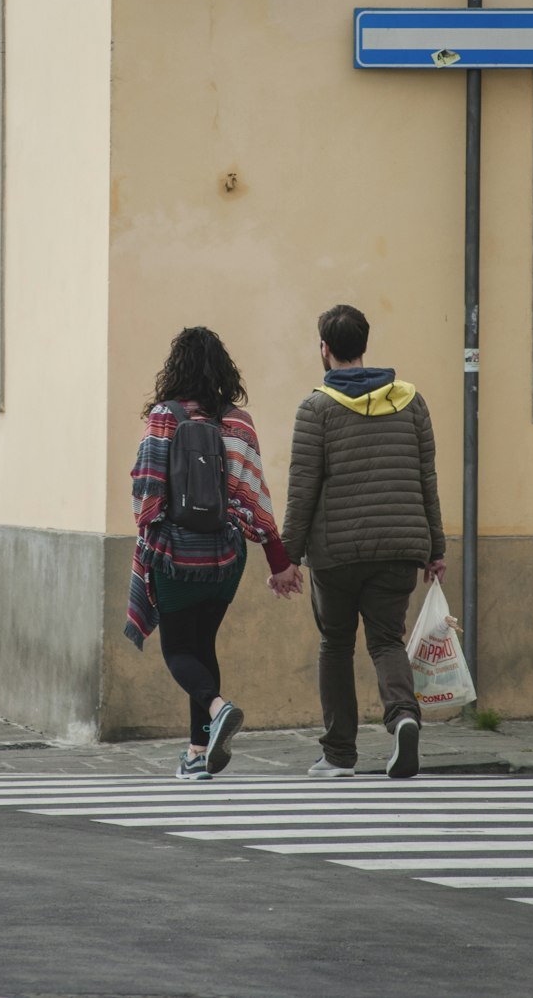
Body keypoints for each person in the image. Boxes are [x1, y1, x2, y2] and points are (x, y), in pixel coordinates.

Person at [125, 326, 302, 781]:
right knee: (202, 647)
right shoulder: (238, 422)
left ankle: (219, 708)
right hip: (225, 558)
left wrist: (150, 529)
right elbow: (254, 495)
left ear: (176, 367)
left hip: (176, 556)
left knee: (178, 650)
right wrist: (278, 560)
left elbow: (146, 492)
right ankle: (198, 753)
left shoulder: (165, 416)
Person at [277, 304, 446, 779]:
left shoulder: (315, 408)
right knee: (387, 640)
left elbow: (303, 488)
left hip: (337, 553)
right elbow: (425, 478)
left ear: (324, 348)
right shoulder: (412, 401)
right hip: (400, 548)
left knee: (335, 644)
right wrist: (436, 548)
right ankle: (404, 717)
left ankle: (338, 754)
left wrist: (286, 558)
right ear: (364, 344)